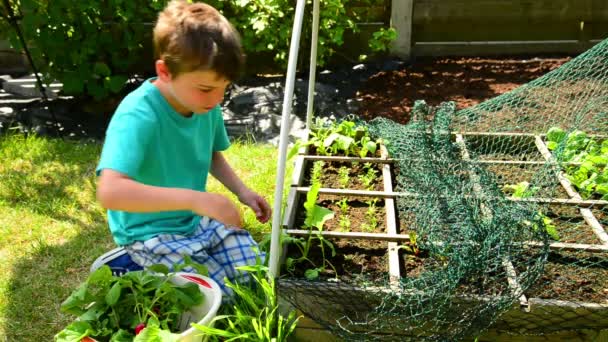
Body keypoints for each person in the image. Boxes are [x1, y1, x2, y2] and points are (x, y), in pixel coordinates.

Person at [91, 0, 271, 297]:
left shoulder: (204, 104)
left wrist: (242, 192)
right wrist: (198, 200)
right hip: (148, 233)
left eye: (223, 86)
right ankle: (128, 264)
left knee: (253, 274)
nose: (217, 98)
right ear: (164, 71)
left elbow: (211, 154)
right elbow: (110, 192)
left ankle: (171, 265)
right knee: (215, 296)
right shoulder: (138, 115)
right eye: (205, 88)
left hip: (193, 224)